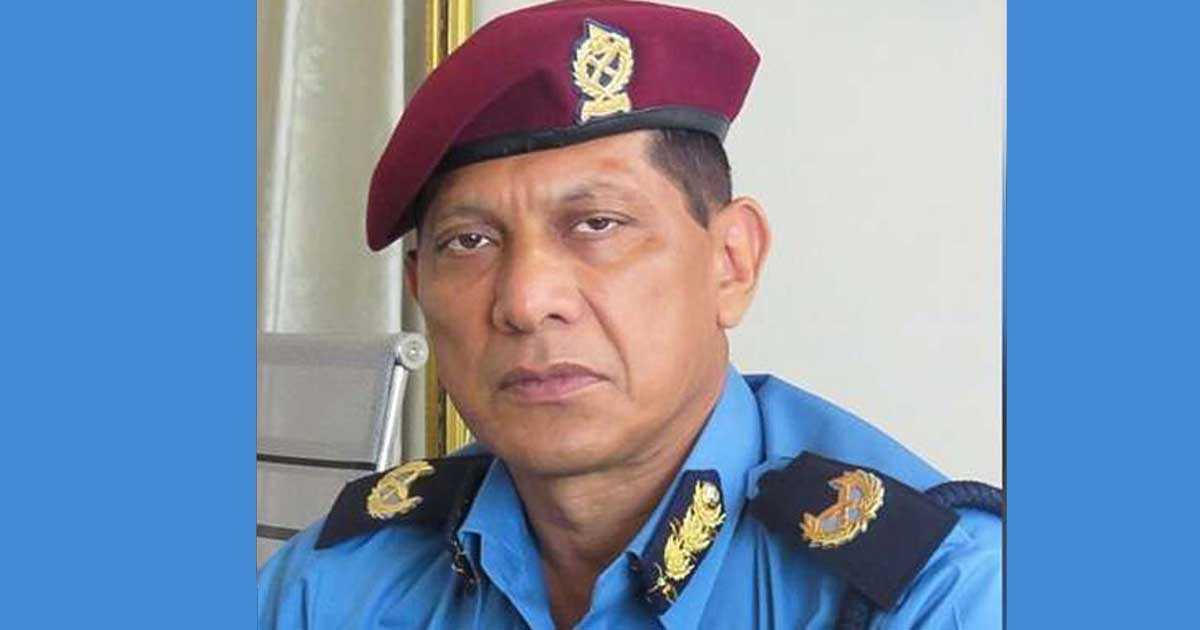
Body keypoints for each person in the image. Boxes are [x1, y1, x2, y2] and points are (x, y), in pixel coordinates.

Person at [257, 1, 1003, 628]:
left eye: (598, 225)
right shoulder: (336, 585)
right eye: (470, 241)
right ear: (420, 289)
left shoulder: (936, 591)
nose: (526, 302)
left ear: (731, 262)